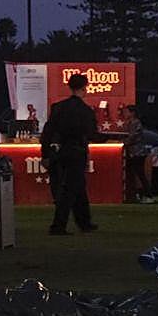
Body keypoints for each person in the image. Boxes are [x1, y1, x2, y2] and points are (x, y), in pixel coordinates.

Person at [42, 72, 100, 235]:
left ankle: (84, 222)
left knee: (78, 186)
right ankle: (58, 225)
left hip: (61, 150)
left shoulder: (58, 108)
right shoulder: (85, 110)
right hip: (78, 151)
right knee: (70, 189)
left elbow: (48, 132)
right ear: (84, 88)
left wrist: (45, 154)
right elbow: (91, 133)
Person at [121, 104, 153, 203]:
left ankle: (148, 195)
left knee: (140, 174)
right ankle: (136, 195)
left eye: (127, 111)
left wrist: (124, 142)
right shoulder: (129, 123)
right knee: (134, 174)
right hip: (132, 152)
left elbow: (133, 136)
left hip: (138, 152)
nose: (125, 114)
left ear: (132, 113)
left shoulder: (136, 123)